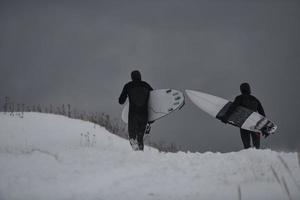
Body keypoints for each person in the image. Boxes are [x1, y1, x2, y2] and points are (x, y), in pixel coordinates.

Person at [220, 83, 266, 149]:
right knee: (257, 147)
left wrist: (226, 117)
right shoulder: (255, 100)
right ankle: (257, 156)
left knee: (246, 145)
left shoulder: (239, 98)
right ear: (249, 89)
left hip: (244, 123)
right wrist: (264, 127)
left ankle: (249, 155)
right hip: (255, 124)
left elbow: (232, 108)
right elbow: (262, 114)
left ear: (241, 90)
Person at [119, 70, 153, 151]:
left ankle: (136, 156)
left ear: (132, 77)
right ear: (140, 76)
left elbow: (121, 101)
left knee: (132, 138)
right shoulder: (146, 85)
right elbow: (154, 99)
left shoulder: (128, 85)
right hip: (144, 115)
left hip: (133, 115)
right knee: (140, 137)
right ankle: (140, 155)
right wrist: (151, 121)